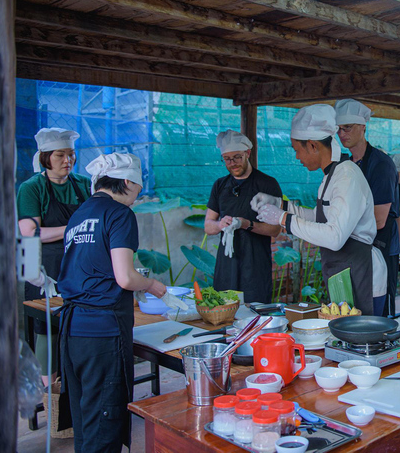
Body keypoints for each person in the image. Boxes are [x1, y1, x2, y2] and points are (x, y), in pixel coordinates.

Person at [56, 153, 187, 452]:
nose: (138, 195)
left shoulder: (80, 214)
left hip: (72, 331)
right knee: (105, 423)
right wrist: (154, 285)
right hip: (103, 331)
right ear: (128, 181)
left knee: (86, 417)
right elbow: (126, 277)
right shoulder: (119, 214)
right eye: (138, 188)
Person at [252, 104, 378, 316]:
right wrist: (281, 205)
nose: (296, 157)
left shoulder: (346, 176)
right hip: (342, 271)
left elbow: (335, 236)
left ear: (312, 145)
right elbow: (321, 218)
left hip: (357, 273)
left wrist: (284, 219)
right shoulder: (331, 175)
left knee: (358, 337)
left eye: (297, 150)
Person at [17, 127, 92, 386]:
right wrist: (73, 227)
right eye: (60, 155)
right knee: (47, 329)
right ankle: (51, 392)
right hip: (46, 269)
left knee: (80, 324)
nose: (68, 160)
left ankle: (77, 383)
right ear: (45, 157)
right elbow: (31, 232)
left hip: (80, 264)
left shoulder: (83, 183)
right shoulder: (31, 188)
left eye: (71, 154)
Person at [335, 99, 400, 316]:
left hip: (377, 248)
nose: (342, 133)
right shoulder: (344, 163)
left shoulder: (381, 164)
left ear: (363, 127)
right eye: (339, 129)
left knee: (373, 314)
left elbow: (379, 219)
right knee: (348, 311)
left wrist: (337, 227)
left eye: (348, 128)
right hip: (350, 249)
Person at [204, 130, 282, 303]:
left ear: (248, 153)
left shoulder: (267, 184)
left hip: (255, 265)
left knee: (254, 314)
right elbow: (208, 226)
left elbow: (275, 229)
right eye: (227, 159)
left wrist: (246, 224)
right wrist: (220, 225)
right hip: (226, 265)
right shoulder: (220, 185)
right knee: (225, 314)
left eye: (237, 157)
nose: (233, 163)